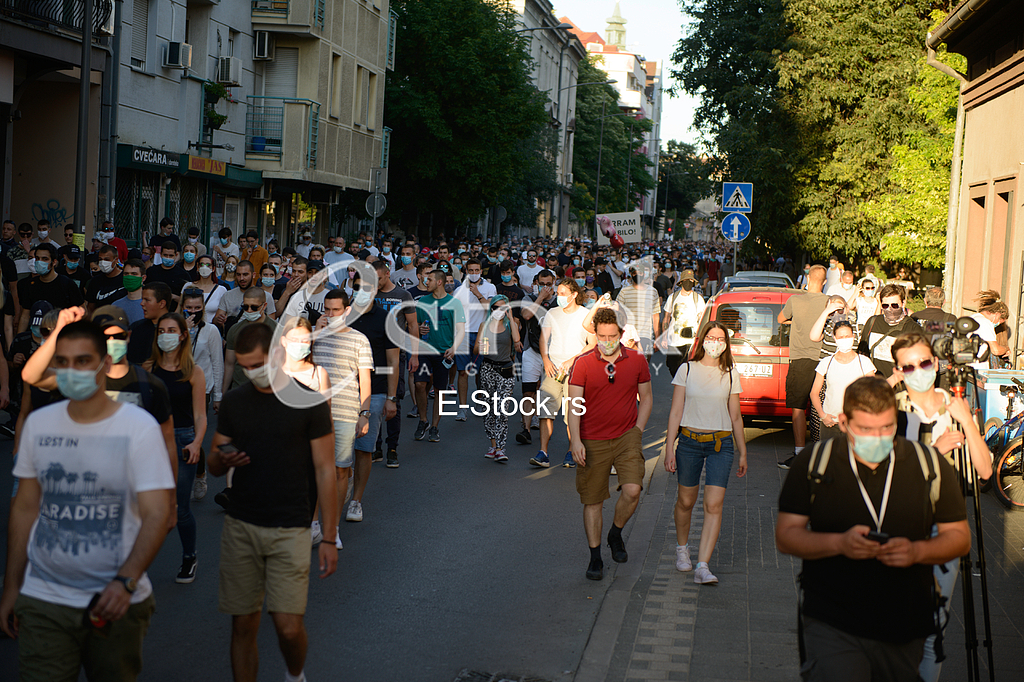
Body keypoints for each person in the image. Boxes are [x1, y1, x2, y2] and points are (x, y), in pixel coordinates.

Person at [0, 320, 173, 681]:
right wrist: (13, 585)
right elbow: (25, 508)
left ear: (104, 365)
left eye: (83, 361)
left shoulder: (138, 428)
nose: (71, 371)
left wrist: (126, 581)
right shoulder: (39, 425)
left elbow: (158, 512)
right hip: (43, 598)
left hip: (116, 603)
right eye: (62, 362)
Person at [775, 376, 970, 682]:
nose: (877, 438)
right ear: (843, 422)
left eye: (887, 428)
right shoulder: (815, 462)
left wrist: (917, 551)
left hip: (904, 622)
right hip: (832, 617)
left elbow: (959, 538)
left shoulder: (928, 463)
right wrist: (839, 544)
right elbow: (786, 535)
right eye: (865, 429)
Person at [208, 323, 337, 682]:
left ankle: (295, 675)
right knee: (243, 625)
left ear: (276, 355)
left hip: (291, 526)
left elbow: (326, 470)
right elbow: (214, 461)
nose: (252, 372)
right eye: (246, 366)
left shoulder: (307, 401)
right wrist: (223, 459)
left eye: (258, 363)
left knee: (288, 627)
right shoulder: (235, 402)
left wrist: (328, 536)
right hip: (241, 525)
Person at [889, 331, 992, 682]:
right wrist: (936, 450)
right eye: (911, 365)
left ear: (937, 362)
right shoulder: (892, 407)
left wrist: (966, 422)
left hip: (946, 526)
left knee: (935, 627)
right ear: (899, 371)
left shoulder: (957, 402)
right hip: (900, 524)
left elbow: (985, 469)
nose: (920, 370)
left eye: (926, 362)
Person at [568, 307, 653, 580]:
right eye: (602, 336)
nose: (607, 341)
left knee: (632, 490)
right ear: (595, 334)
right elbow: (574, 406)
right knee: (592, 500)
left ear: (622, 333)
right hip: (592, 439)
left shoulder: (637, 360)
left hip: (627, 435)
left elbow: (647, 397)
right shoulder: (582, 363)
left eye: (612, 336)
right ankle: (595, 558)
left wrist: (638, 430)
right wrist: (576, 441)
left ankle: (615, 533)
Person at [663, 322, 747, 584]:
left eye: (720, 339)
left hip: (721, 446)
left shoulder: (731, 373)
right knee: (686, 501)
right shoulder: (686, 370)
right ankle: (682, 549)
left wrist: (743, 451)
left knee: (714, 505)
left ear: (726, 344)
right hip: (688, 443)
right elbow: (676, 412)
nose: (715, 343)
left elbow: (736, 416)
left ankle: (703, 565)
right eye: (711, 338)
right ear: (701, 341)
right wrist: (669, 449)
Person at [144, 312, 207, 584]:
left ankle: (189, 556)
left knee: (180, 508)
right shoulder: (147, 369)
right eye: (161, 330)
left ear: (183, 335)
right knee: (145, 506)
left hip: (182, 441)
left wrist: (196, 442)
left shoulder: (193, 372)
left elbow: (201, 415)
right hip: (150, 441)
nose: (165, 335)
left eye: (171, 330)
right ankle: (136, 564)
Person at [311, 289, 372, 547]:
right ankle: (313, 525)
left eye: (336, 309)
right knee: (313, 471)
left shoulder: (360, 340)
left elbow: (365, 380)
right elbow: (302, 365)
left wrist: (364, 414)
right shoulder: (316, 335)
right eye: (327, 309)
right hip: (315, 414)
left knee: (339, 472)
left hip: (346, 413)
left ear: (347, 310)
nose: (330, 314)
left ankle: (332, 528)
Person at [532, 278, 595, 468]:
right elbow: (544, 338)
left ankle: (571, 452)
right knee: (545, 410)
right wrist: (545, 359)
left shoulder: (585, 315)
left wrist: (571, 361)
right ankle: (543, 452)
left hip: (576, 370)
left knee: (572, 413)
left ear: (574, 294)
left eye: (562, 294)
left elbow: (592, 344)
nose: (558, 297)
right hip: (552, 369)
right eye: (557, 293)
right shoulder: (552, 313)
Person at [778, 264, 829, 469]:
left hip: (799, 359)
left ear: (807, 279)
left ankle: (799, 453)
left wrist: (796, 322)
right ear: (824, 282)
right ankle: (823, 452)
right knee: (822, 407)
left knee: (798, 407)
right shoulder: (829, 301)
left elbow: (781, 319)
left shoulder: (795, 300)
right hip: (824, 360)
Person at [371, 259, 418, 468]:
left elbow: (412, 324)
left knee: (393, 401)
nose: (375, 282)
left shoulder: (403, 295)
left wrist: (414, 355)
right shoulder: (370, 294)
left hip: (396, 356)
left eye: (378, 278)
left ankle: (392, 448)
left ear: (387, 274)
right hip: (372, 356)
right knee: (373, 401)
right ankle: (376, 445)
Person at [181, 289, 224, 501]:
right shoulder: (174, 329)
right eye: (189, 308)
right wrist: (184, 333)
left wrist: (218, 396)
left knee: (193, 434)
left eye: (198, 308)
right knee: (179, 434)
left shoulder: (211, 331)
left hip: (202, 388)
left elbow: (217, 362)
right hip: (178, 386)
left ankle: (199, 473)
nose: (193, 312)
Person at [412, 269, 465, 443]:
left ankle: (434, 426)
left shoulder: (454, 303)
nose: (426, 282)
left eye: (429, 280)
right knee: (420, 384)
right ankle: (423, 420)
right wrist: (419, 330)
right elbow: (416, 326)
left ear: (439, 282)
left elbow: (460, 330)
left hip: (443, 352)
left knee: (440, 391)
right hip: (425, 350)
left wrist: (454, 347)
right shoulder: (422, 302)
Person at [810, 321, 877, 441]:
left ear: (854, 337)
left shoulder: (864, 362)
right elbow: (814, 393)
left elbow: (873, 392)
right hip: (831, 423)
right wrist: (823, 416)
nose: (845, 339)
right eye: (841, 337)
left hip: (856, 425)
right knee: (829, 458)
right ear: (835, 339)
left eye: (848, 336)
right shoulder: (826, 362)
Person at [476, 295, 521, 463]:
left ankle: (501, 448)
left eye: (503, 308)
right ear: (491, 310)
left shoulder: (511, 326)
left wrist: (511, 318)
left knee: (502, 409)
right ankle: (493, 445)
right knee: (489, 410)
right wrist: (482, 345)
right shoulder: (484, 325)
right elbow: (477, 350)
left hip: (506, 369)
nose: (498, 311)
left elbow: (517, 341)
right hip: (488, 369)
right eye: (495, 308)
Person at [451, 258, 496, 420]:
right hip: (463, 334)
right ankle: (462, 408)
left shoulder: (490, 287)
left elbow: (490, 308)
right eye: (471, 271)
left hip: (482, 334)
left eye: (477, 270)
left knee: (480, 372)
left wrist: (477, 293)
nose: (474, 273)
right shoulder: (459, 290)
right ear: (466, 271)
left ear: (481, 271)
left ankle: (480, 400)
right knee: (462, 372)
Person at [858, 283, 923, 378]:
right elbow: (862, 354)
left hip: (899, 388)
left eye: (895, 305)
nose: (890, 309)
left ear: (903, 303)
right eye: (885, 306)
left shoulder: (913, 329)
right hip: (873, 386)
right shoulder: (873, 322)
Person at [16, 242, 84, 331]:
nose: (40, 262)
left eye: (45, 259)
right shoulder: (30, 285)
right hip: (36, 335)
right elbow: (25, 316)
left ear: (54, 262)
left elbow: (82, 311)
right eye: (37, 258)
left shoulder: (67, 284)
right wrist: (19, 338)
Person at [223, 287, 279, 393]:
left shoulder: (277, 330)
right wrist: (222, 394)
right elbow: (229, 364)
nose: (249, 310)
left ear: (264, 306)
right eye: (245, 306)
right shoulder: (235, 330)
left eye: (254, 307)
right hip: (239, 390)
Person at [661, 268, 706, 379]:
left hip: (690, 341)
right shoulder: (673, 297)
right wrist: (664, 337)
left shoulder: (698, 299)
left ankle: (685, 390)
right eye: (686, 280)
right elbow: (666, 318)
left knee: (688, 369)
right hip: (674, 340)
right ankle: (680, 386)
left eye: (691, 281)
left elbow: (702, 320)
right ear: (681, 282)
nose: (688, 283)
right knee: (672, 367)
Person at [616, 262, 661, 357]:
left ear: (644, 274)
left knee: (643, 364)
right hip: (628, 334)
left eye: (640, 273)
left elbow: (656, 316)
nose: (637, 275)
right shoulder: (624, 292)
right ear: (631, 275)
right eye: (634, 273)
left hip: (646, 334)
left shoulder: (652, 292)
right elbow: (618, 312)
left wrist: (657, 338)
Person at [215, 260, 277, 326]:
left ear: (253, 275)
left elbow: (271, 324)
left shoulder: (266, 296)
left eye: (245, 274)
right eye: (238, 274)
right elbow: (216, 320)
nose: (242, 278)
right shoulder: (227, 295)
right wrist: (219, 319)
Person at [126, 282, 172, 364]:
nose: (142, 303)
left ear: (162, 304)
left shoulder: (176, 329)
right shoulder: (136, 328)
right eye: (142, 299)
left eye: (147, 300)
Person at [969, 290, 1009, 369]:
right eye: (999, 322)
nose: (997, 324)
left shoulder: (973, 318)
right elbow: (996, 350)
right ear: (997, 314)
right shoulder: (985, 323)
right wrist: (1006, 348)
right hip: (976, 368)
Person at [146, 241, 194, 307]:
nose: (168, 258)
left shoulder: (183, 275)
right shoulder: (151, 271)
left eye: (171, 255)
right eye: (165, 255)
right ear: (160, 254)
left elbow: (190, 299)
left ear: (176, 255)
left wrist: (174, 297)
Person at [188, 254, 228, 325]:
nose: (204, 267)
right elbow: (180, 309)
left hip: (211, 329)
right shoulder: (188, 286)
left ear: (213, 269)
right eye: (202, 264)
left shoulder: (221, 290)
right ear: (197, 267)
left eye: (208, 265)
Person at [84, 244, 125, 311]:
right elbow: (90, 308)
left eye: (107, 259)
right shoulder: (95, 281)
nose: (103, 262)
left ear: (116, 260)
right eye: (100, 259)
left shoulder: (125, 279)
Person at [110, 258, 147, 324]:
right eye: (126, 274)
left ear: (143, 278)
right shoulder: (115, 306)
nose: (129, 277)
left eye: (134, 274)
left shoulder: (150, 305)